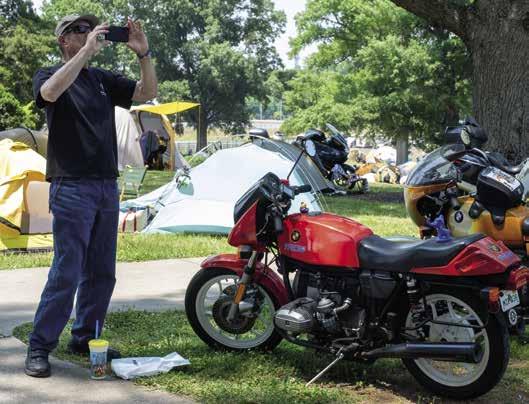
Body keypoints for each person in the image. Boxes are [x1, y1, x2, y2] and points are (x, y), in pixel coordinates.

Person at [25, 14, 157, 378]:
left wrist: (143, 54)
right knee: (67, 271)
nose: (88, 35)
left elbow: (146, 93)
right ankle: (39, 346)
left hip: (105, 186)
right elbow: (49, 94)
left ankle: (84, 337)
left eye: (90, 30)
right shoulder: (49, 74)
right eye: (80, 31)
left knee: (101, 272)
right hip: (71, 186)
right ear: (64, 40)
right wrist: (85, 52)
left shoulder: (101, 80)